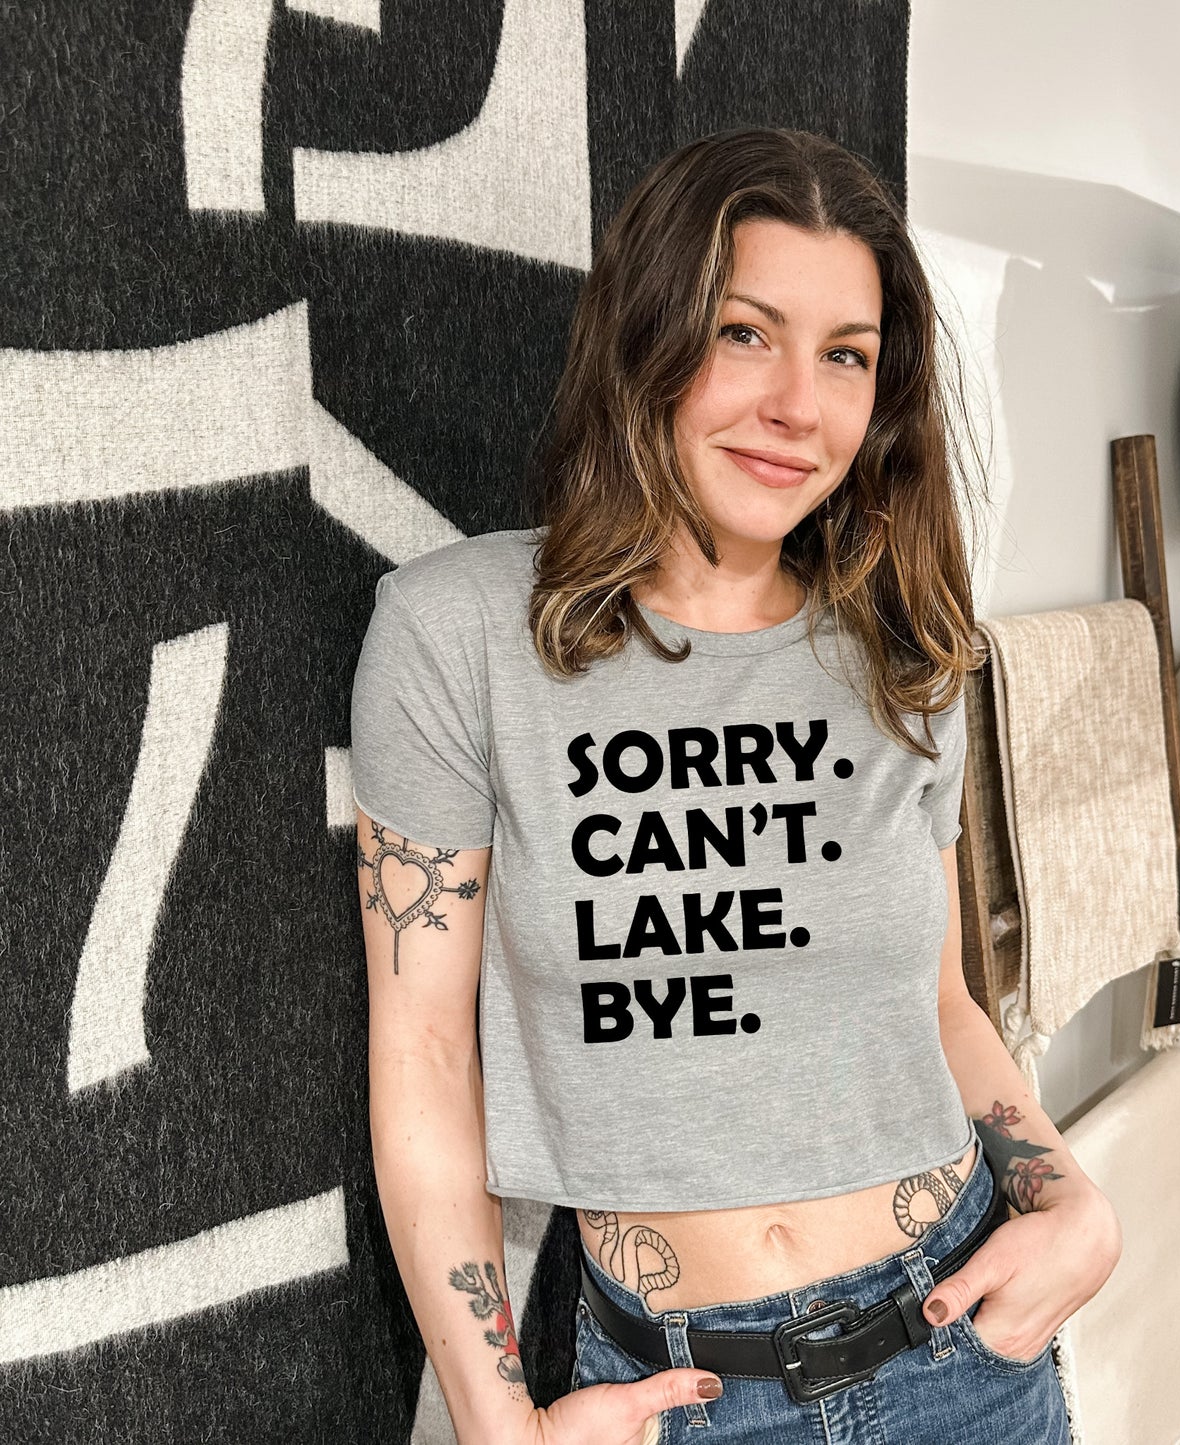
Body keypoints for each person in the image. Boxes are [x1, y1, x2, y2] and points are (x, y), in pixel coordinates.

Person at [350, 126, 1122, 1445]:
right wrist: (498, 1423)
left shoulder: (904, 647)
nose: (796, 407)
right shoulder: (456, 631)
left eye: (845, 355)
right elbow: (423, 1053)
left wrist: (1074, 1203)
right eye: (744, 332)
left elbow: (938, 1001)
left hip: (962, 1355)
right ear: (645, 332)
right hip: (676, 1395)